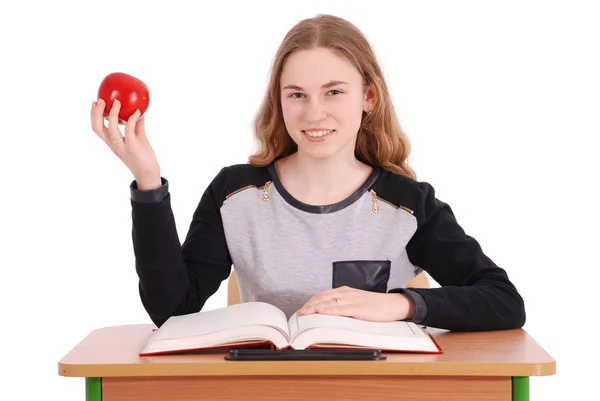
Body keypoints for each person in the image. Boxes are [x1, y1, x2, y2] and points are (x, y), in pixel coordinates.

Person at [90, 14, 525, 332]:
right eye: (296, 94)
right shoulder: (234, 193)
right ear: (279, 100)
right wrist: (148, 182)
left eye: (334, 92)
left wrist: (400, 305)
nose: (314, 113)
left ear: (368, 97)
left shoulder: (409, 204)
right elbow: (172, 310)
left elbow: (504, 301)